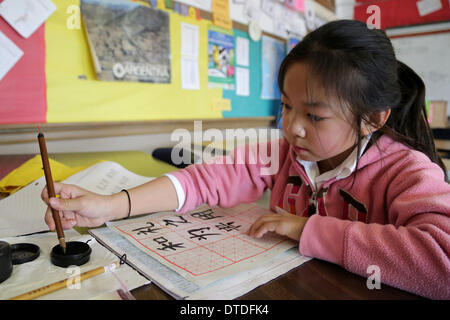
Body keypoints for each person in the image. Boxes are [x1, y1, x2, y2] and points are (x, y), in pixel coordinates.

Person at [41, 20, 450, 299]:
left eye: (315, 115)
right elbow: (204, 180)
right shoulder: (282, 152)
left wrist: (308, 228)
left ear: (372, 120)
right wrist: (110, 205)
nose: (293, 128)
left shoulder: (407, 172)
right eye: (287, 107)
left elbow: (441, 264)